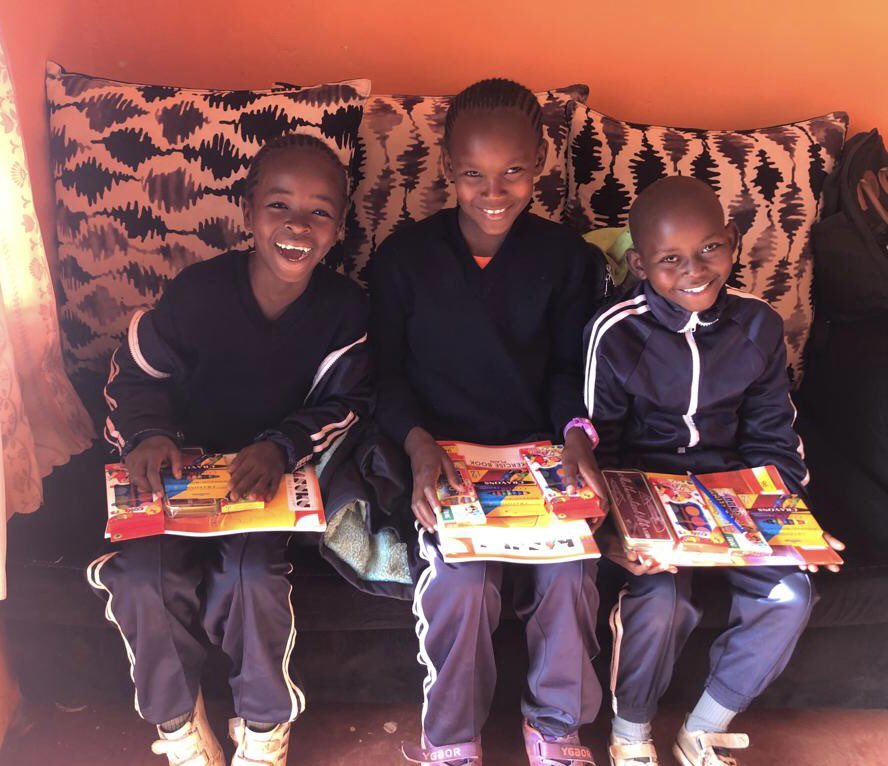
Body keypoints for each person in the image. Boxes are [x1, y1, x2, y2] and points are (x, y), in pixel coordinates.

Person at [88, 133, 372, 766]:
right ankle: (178, 726)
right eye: (279, 206)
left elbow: (347, 404)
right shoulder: (198, 294)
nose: (298, 226)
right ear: (248, 212)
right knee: (142, 577)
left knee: (250, 576)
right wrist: (148, 436)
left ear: (339, 227)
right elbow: (133, 375)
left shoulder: (345, 310)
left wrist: (281, 444)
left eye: (320, 212)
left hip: (266, 483)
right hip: (177, 471)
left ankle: (265, 726)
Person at [371, 78, 609, 766]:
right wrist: (416, 445)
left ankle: (556, 729)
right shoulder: (403, 260)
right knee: (463, 582)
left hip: (537, 458)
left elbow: (570, 368)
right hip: (439, 458)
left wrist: (574, 437)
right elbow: (384, 377)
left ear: (540, 164)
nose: (494, 192)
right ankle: (452, 737)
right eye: (473, 175)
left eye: (513, 173)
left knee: (570, 577)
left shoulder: (568, 261)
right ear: (448, 170)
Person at [584, 175, 844, 766]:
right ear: (642, 264)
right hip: (645, 497)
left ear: (731, 239)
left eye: (709, 249)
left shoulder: (758, 325)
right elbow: (602, 448)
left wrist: (790, 521)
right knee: (661, 602)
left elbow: (774, 438)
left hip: (733, 496)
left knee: (790, 594)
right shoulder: (616, 331)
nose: (694, 271)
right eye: (670, 260)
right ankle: (630, 734)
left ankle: (703, 727)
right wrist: (615, 533)